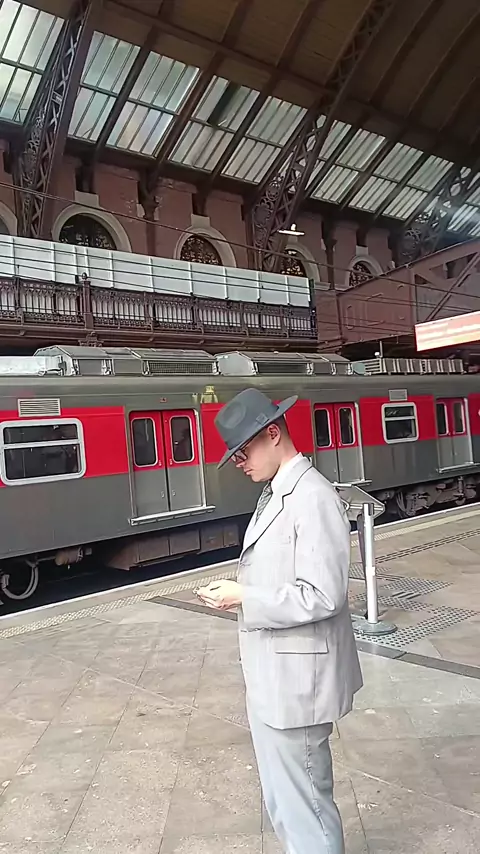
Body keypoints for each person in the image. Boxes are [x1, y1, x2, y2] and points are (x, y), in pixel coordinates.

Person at [197, 388, 363, 854]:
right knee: (286, 803)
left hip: (298, 684)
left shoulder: (312, 497)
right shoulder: (277, 492)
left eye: (242, 451)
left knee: (305, 808)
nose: (239, 463)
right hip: (276, 678)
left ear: (273, 434)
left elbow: (323, 594)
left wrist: (244, 596)